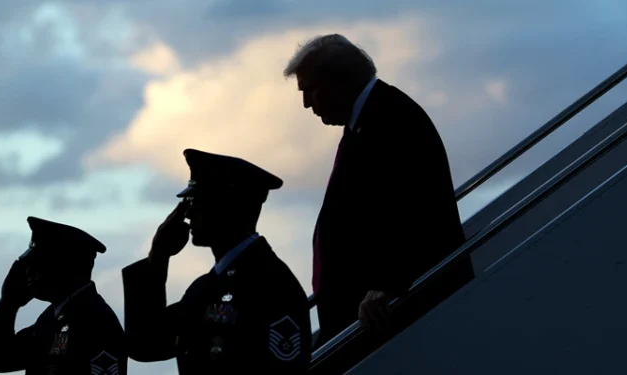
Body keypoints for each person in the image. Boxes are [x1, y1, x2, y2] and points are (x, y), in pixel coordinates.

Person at [283, 34, 475, 346]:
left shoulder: (391, 117)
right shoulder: (370, 118)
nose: (306, 103)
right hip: (369, 319)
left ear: (339, 79)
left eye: (310, 89)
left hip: (394, 321)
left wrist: (391, 281)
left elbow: (419, 207)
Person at [121, 149, 311, 374]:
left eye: (198, 200)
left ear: (227, 204)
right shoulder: (204, 289)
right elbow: (146, 344)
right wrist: (158, 256)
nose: (188, 213)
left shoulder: (272, 284)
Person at [0, 217, 127, 375]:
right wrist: (8, 304)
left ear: (64, 267)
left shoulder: (95, 321)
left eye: (37, 266)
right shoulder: (52, 319)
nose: (28, 274)